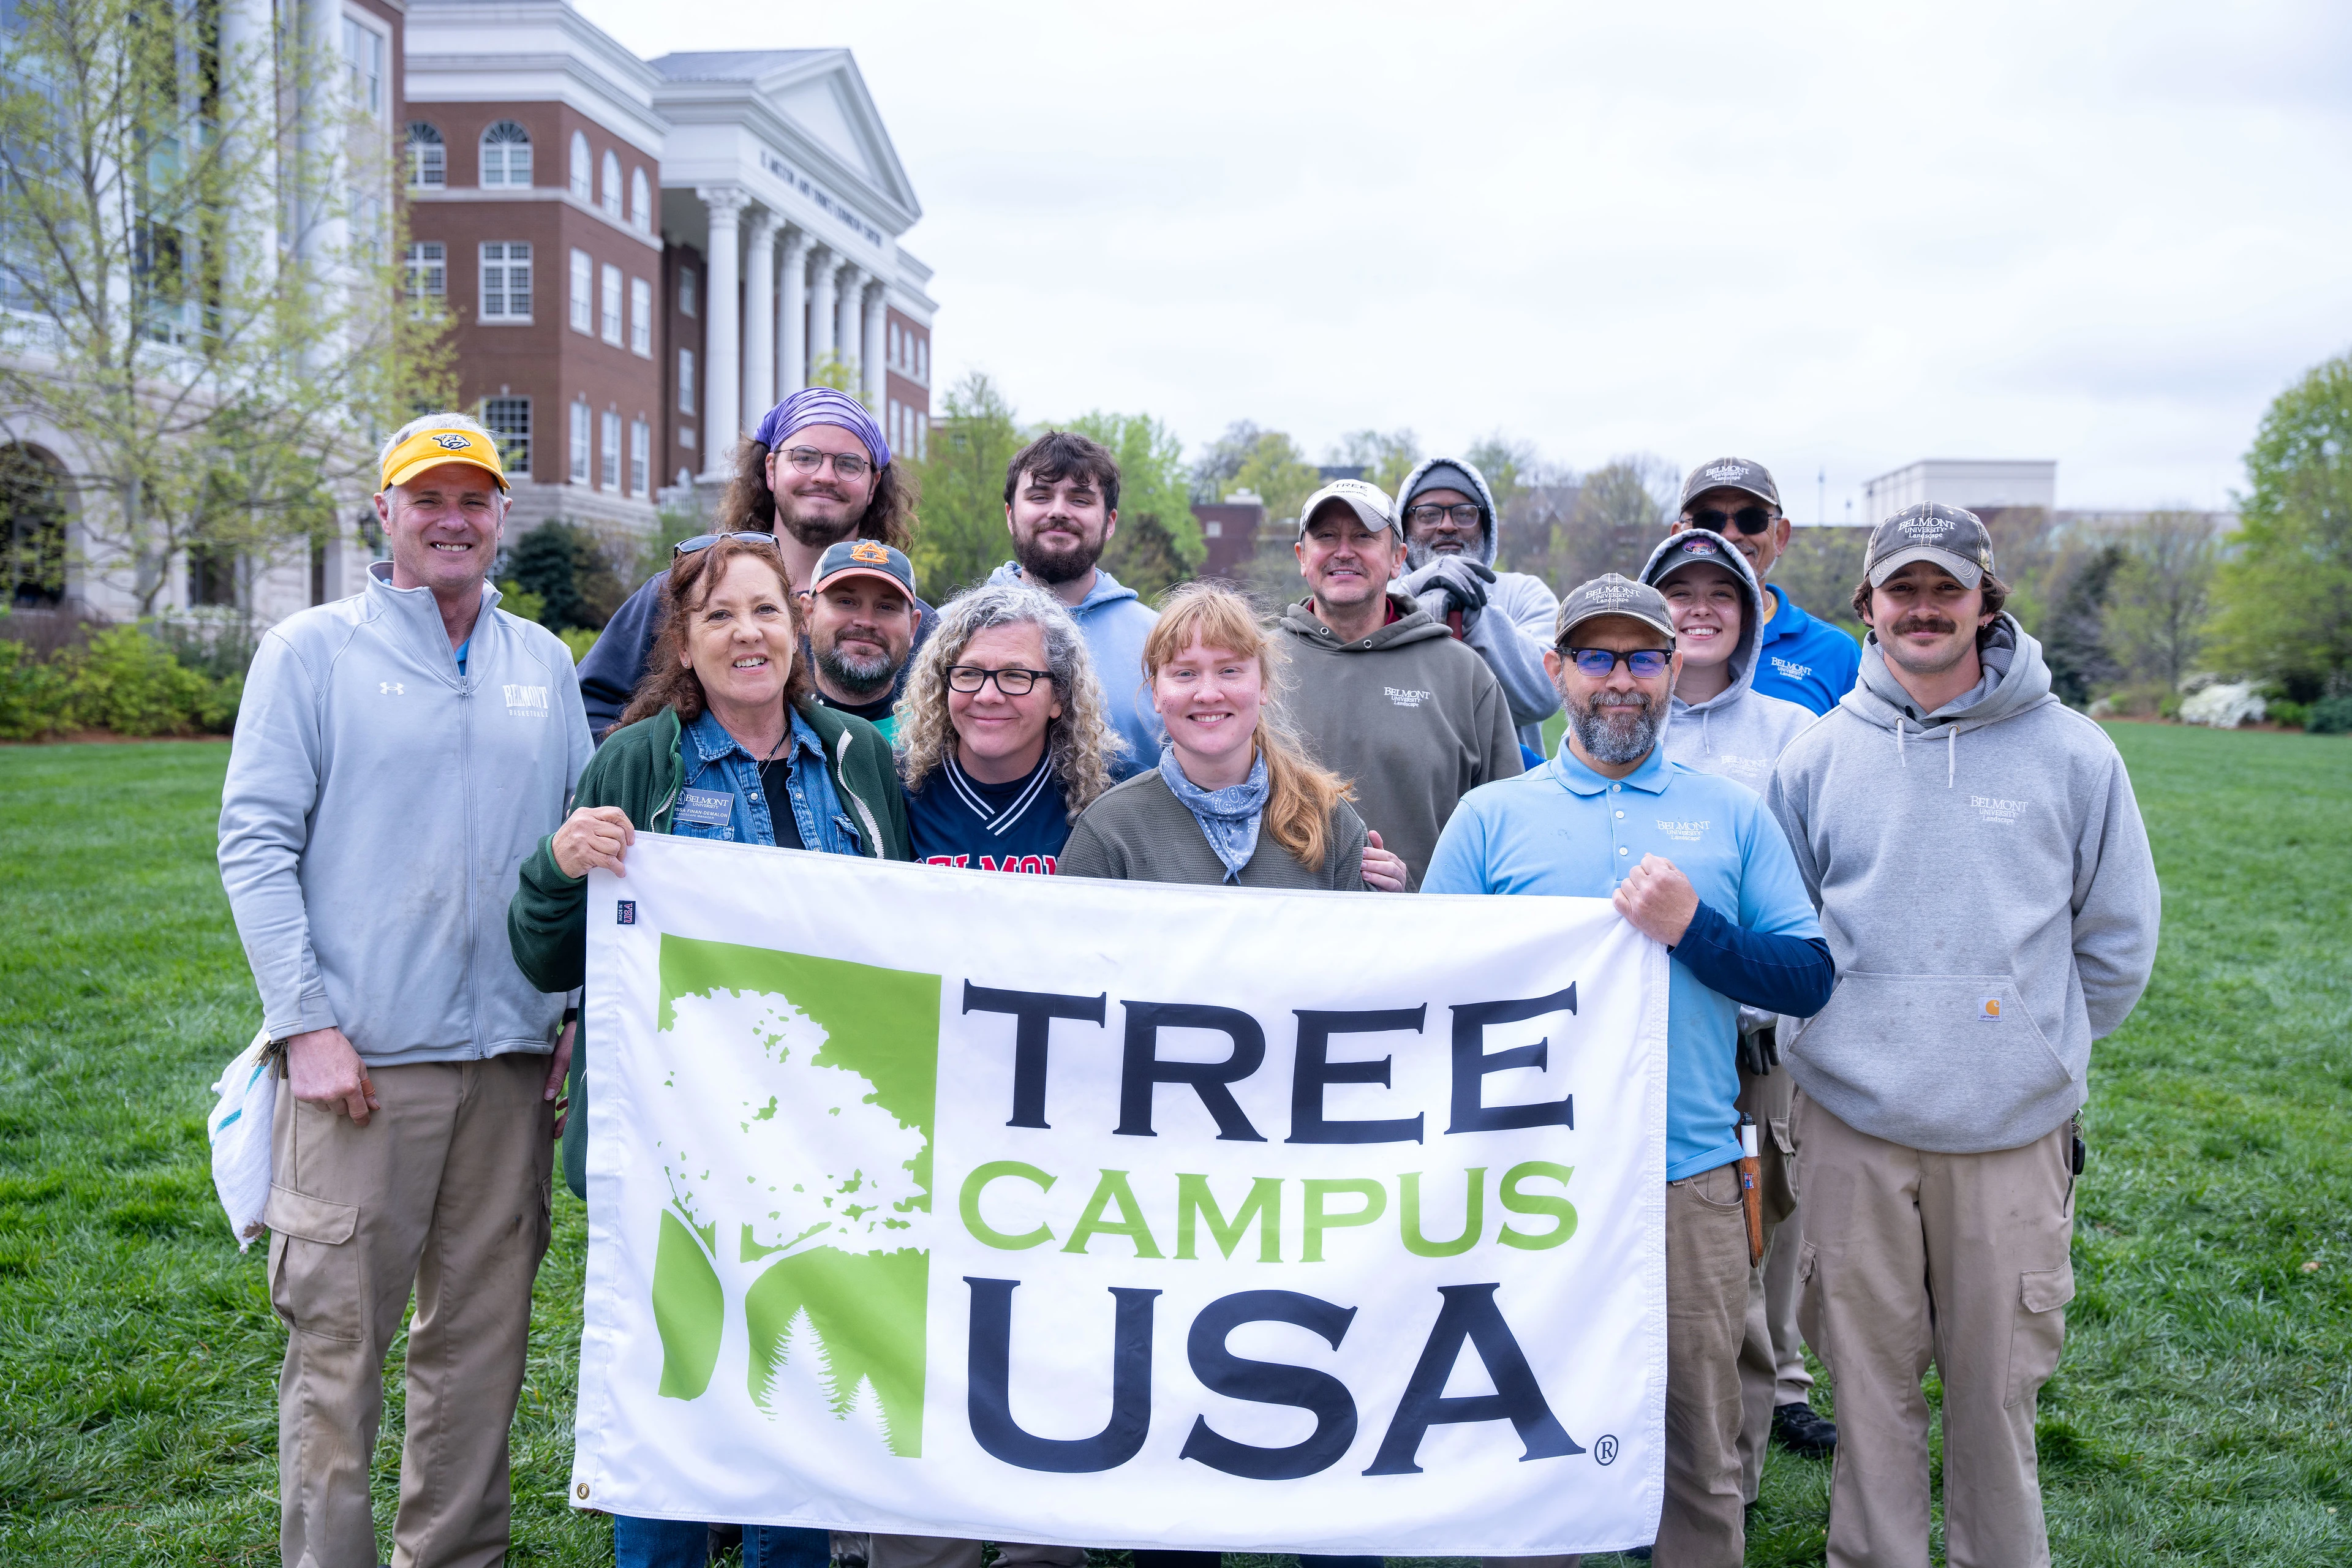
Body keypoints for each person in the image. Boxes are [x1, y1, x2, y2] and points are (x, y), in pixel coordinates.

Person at [217, 413, 592, 1568]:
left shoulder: (543, 663)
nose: (451, 518)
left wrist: (577, 1010)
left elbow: (576, 857)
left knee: (479, 1354)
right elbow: (255, 843)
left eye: (473, 499)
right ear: (382, 513)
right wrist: (306, 1024)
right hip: (361, 1072)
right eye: (425, 498)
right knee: (339, 1353)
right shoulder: (311, 651)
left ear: (501, 518)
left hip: (515, 1068)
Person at [1766, 505, 2160, 1568]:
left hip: (2010, 1133)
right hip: (1852, 1123)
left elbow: (2116, 942)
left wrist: (2030, 1051)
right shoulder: (1816, 758)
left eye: (1948, 589)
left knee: (1995, 1400)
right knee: (1870, 1394)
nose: (1925, 610)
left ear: (1988, 600)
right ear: (1869, 607)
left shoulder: (2076, 754)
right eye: (1904, 591)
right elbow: (1787, 931)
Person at [505, 532, 908, 1568]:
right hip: (667, 1151)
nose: (747, 633)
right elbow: (551, 960)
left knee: (797, 1390)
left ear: (799, 627)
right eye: (719, 615)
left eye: (766, 610)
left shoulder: (858, 761)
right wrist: (558, 870)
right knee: (675, 1398)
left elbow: (906, 944)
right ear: (681, 643)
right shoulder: (638, 762)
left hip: (819, 1151)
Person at [1425, 573, 1834, 1568]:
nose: (1621, 680)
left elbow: (1809, 974)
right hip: (1525, 1186)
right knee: (1528, 1445)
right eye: (1597, 658)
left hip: (1683, 1176)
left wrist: (1694, 929)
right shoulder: (1491, 817)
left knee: (1699, 1446)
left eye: (1644, 658)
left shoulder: (1731, 816)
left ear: (1675, 671)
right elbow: (1424, 985)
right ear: (1557, 670)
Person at [1636, 529, 1837, 1489]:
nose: (1701, 606)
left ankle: (1734, 1480)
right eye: (1679, 591)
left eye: (1726, 590)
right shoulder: (1620, 710)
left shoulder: (1791, 736)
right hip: (1629, 1051)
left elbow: (1805, 916)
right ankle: (1640, 1468)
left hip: (1752, 1051)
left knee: (1745, 1274)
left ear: (1754, 612)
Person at [579, 386, 932, 738]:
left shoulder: (915, 625)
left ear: (874, 485)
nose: (825, 475)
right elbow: (585, 715)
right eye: (805, 457)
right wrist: (649, 778)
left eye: (848, 464)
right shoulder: (683, 593)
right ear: (771, 469)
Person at [1060, 581, 1408, 892]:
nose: (1208, 693)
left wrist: (1390, 909)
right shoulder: (1107, 832)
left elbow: (1367, 957)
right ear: (1155, 693)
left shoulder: (1330, 824)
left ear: (1264, 685)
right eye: (1184, 673)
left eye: (1229, 670)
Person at [1275, 477, 1520, 888]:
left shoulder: (1464, 675)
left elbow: (1509, 829)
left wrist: (1421, 892)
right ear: (1302, 557)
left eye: (1364, 537)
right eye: (1327, 536)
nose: (1344, 551)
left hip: (1426, 939)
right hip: (1276, 934)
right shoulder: (1254, 666)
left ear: (1396, 557)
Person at [895, 582, 1120, 873]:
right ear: (943, 687)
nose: (988, 696)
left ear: (1059, 696)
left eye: (1016, 675)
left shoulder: (1112, 792)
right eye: (969, 673)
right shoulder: (899, 787)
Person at [985, 429, 1161, 776]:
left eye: (1080, 500)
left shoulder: (1160, 640)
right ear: (1009, 515)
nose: (1058, 512)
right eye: (1039, 496)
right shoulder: (948, 630)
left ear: (1110, 522)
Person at [1392, 454, 1562, 755]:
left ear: (1486, 526)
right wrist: (1411, 598)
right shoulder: (1381, 596)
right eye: (1428, 514)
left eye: (1464, 513)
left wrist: (1472, 613)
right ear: (1404, 529)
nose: (1447, 526)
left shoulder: (1525, 593)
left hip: (1508, 792)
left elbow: (1545, 695)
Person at [1667, 456, 1860, 715]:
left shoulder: (1836, 653)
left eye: (1752, 519)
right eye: (1709, 520)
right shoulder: (1641, 647)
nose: (1730, 534)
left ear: (1780, 536)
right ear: (1679, 538)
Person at [804, 538, 923, 741]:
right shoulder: (772, 727)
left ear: (913, 628)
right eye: (846, 602)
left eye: (886, 607)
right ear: (808, 614)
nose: (866, 621)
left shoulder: (934, 742)